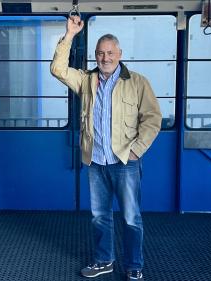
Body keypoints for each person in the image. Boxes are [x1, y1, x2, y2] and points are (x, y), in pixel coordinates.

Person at [50, 16, 162, 281]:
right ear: (95, 56)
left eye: (110, 53)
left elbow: (153, 118)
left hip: (126, 162)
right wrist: (69, 35)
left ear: (120, 54)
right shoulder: (86, 81)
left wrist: (137, 150)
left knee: (131, 218)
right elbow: (57, 69)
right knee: (100, 218)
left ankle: (134, 265)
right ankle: (104, 261)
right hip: (96, 162)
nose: (105, 57)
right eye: (100, 53)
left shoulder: (137, 82)